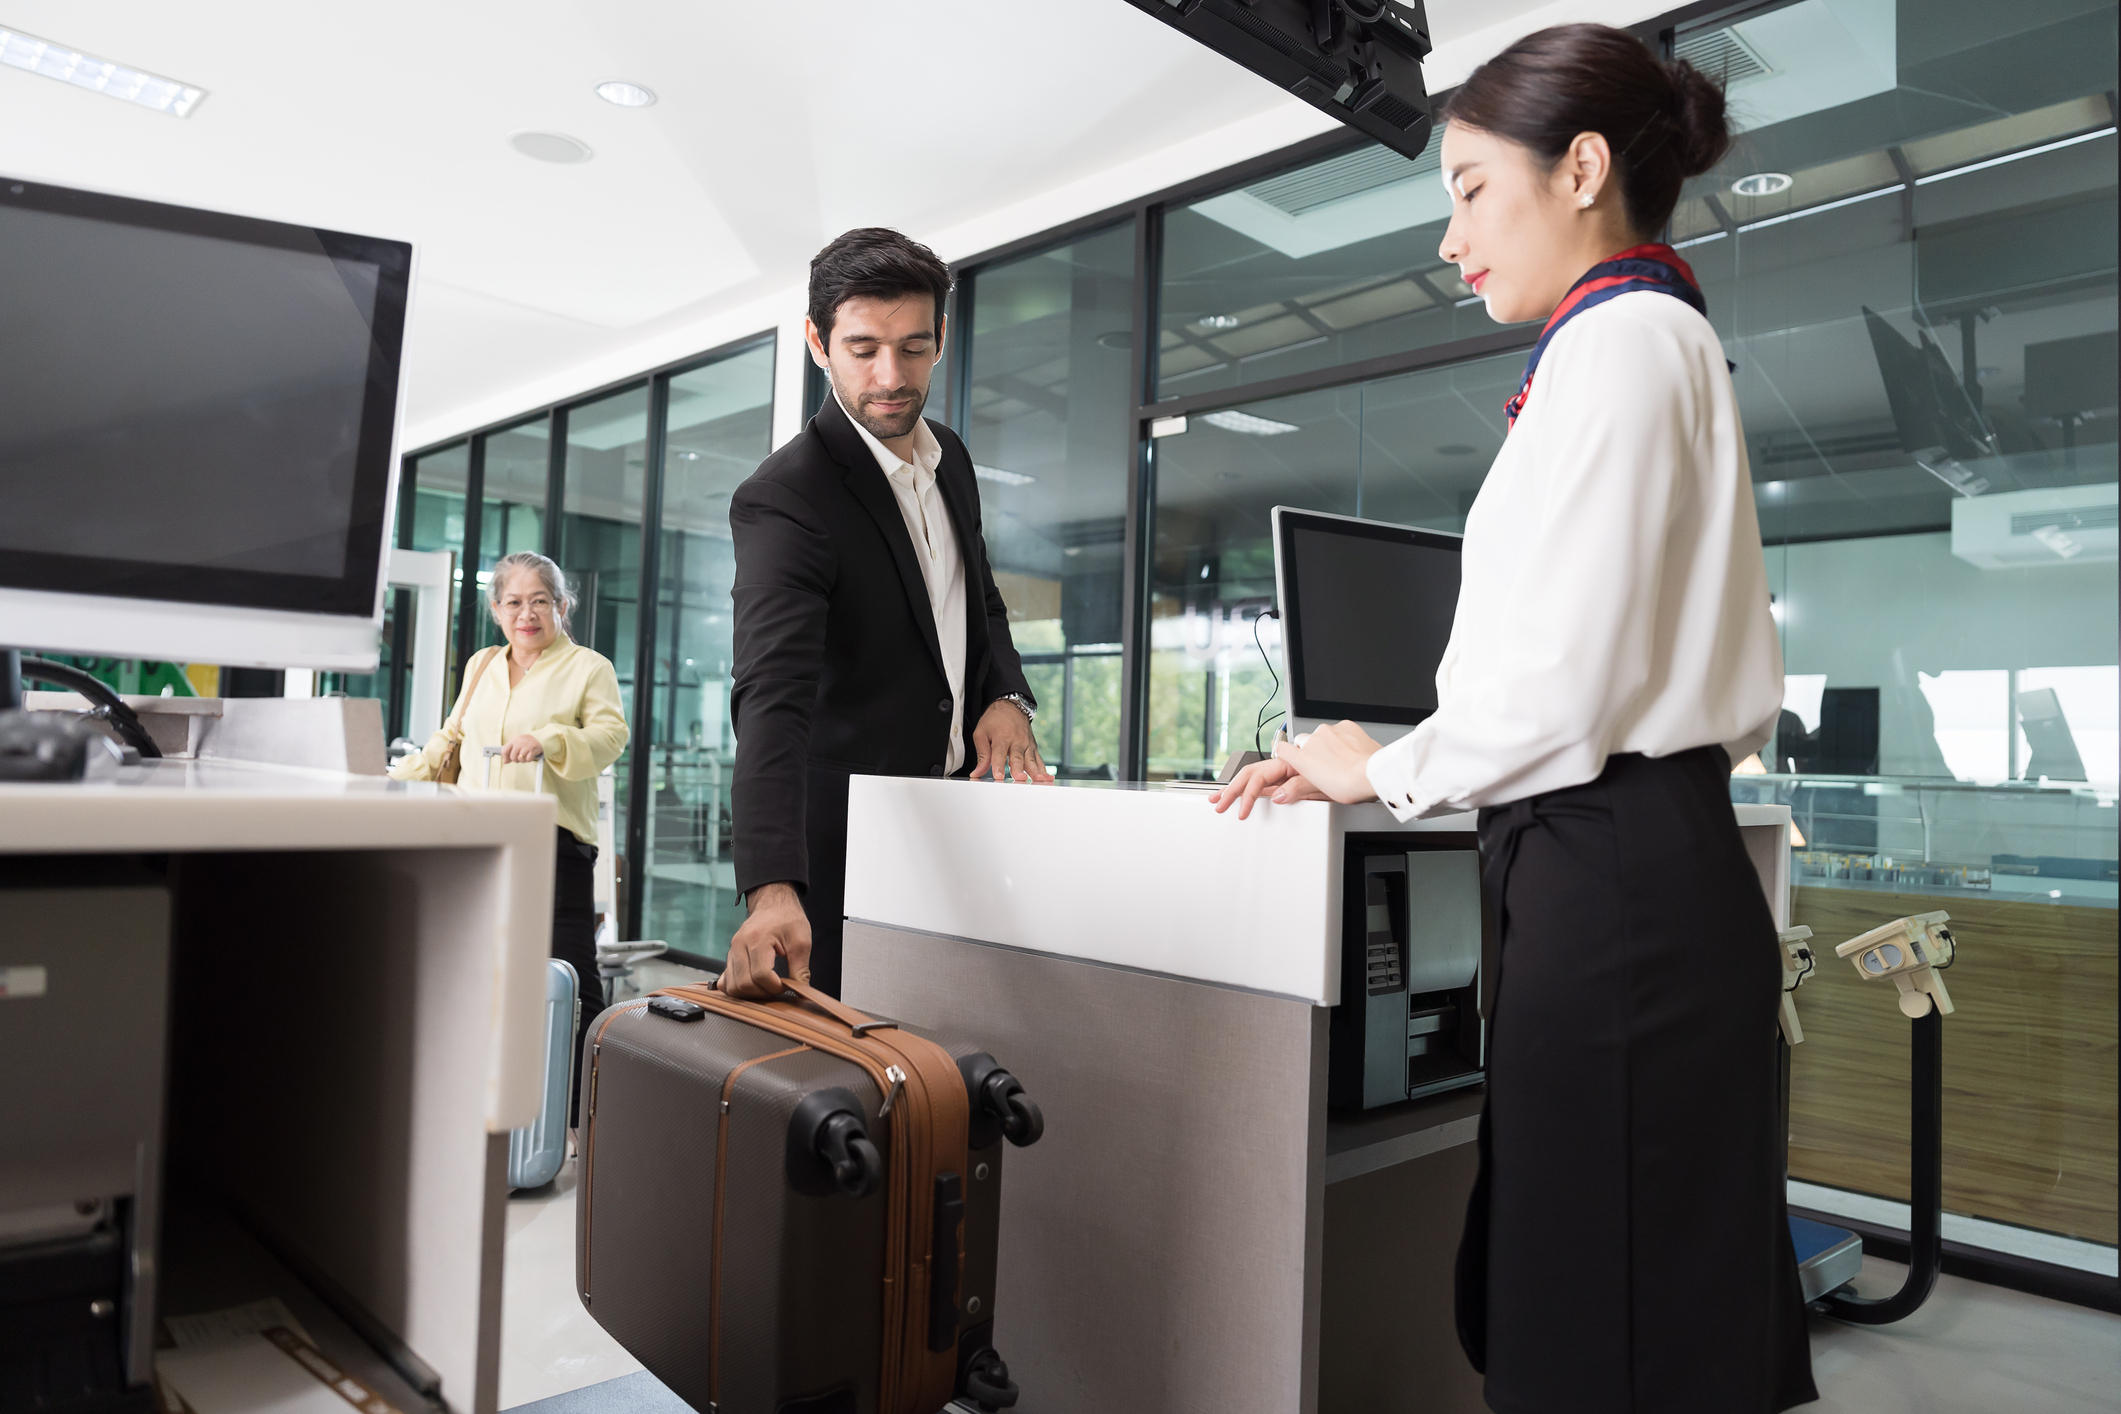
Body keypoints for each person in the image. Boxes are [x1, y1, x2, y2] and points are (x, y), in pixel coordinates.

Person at [1215, 25, 1817, 1414]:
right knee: (1636, 1302)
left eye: (1472, 189)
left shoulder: (1618, 346)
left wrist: (1384, 762)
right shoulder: (1648, 338)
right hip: (1636, 873)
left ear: (1583, 169)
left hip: (1613, 890)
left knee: (1597, 1329)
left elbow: (1561, 684)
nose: (1450, 236)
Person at [721, 228, 1049, 1001]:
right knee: (841, 1080)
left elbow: (979, 596)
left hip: (950, 819)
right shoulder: (787, 497)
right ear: (816, 341)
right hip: (839, 846)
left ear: (941, 338)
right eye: (862, 347)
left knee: (939, 1056)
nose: (890, 375)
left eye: (912, 346)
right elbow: (771, 695)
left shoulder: (951, 458)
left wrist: (1004, 693)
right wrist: (770, 886)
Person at [391, 551, 629, 1112]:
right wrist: (388, 781)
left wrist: (550, 738)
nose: (528, 614)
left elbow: (610, 735)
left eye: (540, 601)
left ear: (562, 606)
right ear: (496, 610)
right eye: (514, 602)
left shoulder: (588, 668)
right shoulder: (482, 665)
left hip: (553, 845)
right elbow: (449, 738)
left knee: (569, 979)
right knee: (480, 967)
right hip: (479, 840)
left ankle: (587, 1111)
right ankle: (492, 1100)